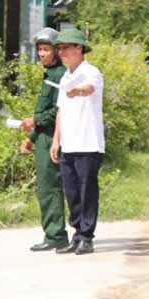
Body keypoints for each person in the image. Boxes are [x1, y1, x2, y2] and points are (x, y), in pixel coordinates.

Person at [49, 28, 105, 255]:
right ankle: (77, 233)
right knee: (71, 191)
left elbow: (89, 88)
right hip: (69, 143)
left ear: (79, 48)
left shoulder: (91, 71)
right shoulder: (65, 77)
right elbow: (61, 111)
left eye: (65, 48)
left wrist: (78, 91)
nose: (61, 52)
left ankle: (87, 236)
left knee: (86, 191)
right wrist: (56, 141)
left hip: (88, 143)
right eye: (59, 48)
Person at [21, 27, 69, 252]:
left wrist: (35, 121)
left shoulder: (60, 74)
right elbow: (45, 109)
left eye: (46, 49)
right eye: (39, 49)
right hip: (43, 136)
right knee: (45, 187)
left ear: (57, 51)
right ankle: (54, 233)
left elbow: (59, 110)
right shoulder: (50, 74)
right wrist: (31, 137)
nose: (41, 54)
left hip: (53, 137)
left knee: (50, 187)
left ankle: (56, 235)